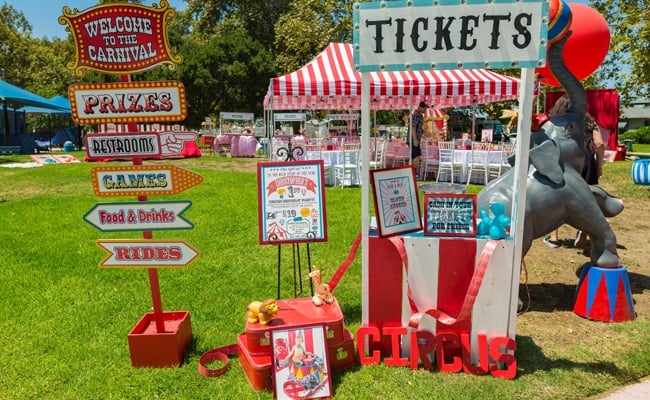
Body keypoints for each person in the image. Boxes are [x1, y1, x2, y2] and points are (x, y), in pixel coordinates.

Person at [409, 101, 427, 177]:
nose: (425, 110)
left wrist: (423, 131)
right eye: (424, 108)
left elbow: (417, 127)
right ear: (419, 107)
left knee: (414, 157)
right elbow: (413, 127)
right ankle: (412, 173)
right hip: (413, 139)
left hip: (414, 139)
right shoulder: (416, 115)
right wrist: (415, 140)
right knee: (418, 156)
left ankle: (411, 173)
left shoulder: (419, 115)